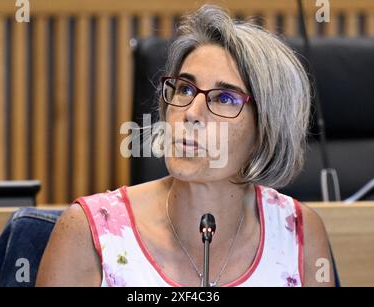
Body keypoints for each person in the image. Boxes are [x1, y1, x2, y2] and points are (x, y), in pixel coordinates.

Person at [36, 4, 335, 287]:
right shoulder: (87, 232)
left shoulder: (300, 234)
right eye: (184, 89)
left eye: (225, 98)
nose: (191, 112)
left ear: (267, 130)